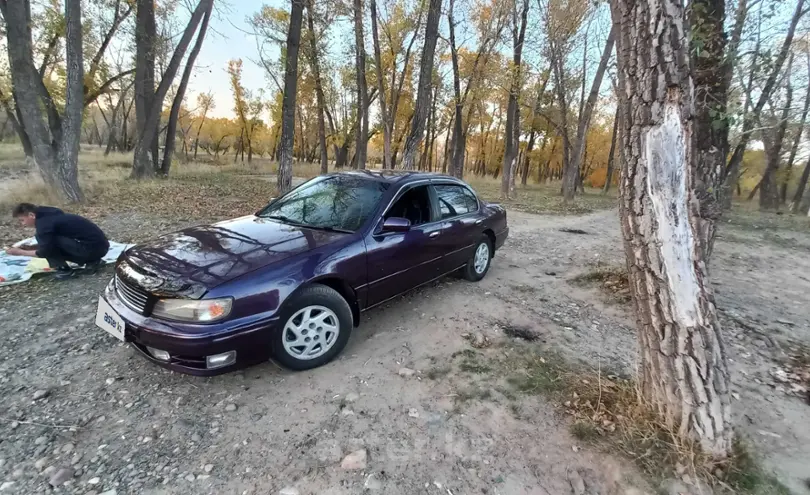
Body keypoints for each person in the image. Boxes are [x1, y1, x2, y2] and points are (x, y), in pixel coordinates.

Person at [6, 203, 110, 279]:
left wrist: (20, 252)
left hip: (91, 250)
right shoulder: (51, 215)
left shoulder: (44, 225)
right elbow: (57, 239)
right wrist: (32, 247)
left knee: (47, 243)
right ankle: (93, 261)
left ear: (31, 215)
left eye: (22, 220)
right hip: (101, 247)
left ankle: (64, 270)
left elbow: (46, 251)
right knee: (47, 241)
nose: (22, 224)